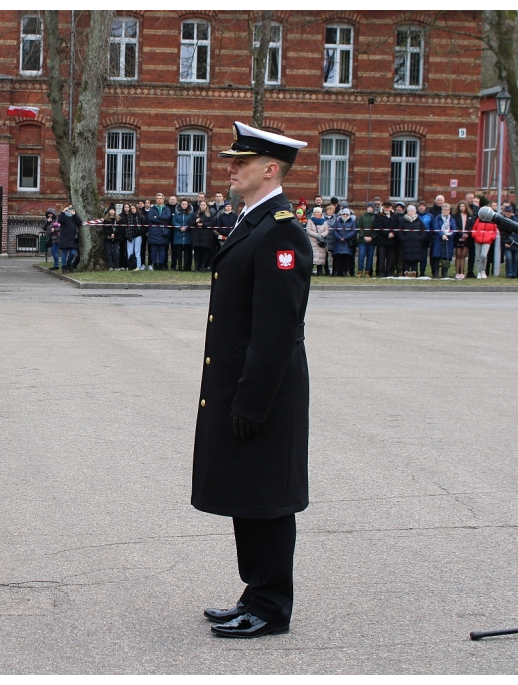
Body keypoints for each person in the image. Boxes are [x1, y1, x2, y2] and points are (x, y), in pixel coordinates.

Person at [196, 121, 312, 640]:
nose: (230, 168)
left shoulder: (281, 229)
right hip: (243, 385)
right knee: (248, 492)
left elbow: (276, 330)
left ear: (270, 169)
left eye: (240, 162)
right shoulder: (252, 221)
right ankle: (254, 592)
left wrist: (252, 400)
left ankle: (271, 605)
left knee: (267, 498)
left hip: (265, 390)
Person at [398, 205, 427, 277]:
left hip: (416, 243)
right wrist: (402, 238)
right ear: (407, 212)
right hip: (406, 242)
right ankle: (406, 271)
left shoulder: (418, 220)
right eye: (409, 211)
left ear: (415, 212)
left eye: (412, 211)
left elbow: (424, 230)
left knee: (415, 258)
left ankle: (414, 272)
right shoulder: (403, 220)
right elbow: (399, 231)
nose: (411, 212)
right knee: (406, 258)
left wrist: (420, 238)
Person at [429, 203, 455, 278]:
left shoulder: (452, 219)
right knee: (437, 257)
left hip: (449, 240)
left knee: (446, 257)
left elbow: (454, 229)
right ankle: (436, 274)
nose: (445, 211)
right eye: (444, 209)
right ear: (441, 210)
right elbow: (435, 227)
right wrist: (442, 234)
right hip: (438, 239)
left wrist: (449, 235)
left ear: (449, 210)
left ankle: (444, 274)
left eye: (447, 209)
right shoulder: (437, 218)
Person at [471, 206, 498, 279]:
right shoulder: (479, 219)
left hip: (487, 240)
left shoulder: (493, 220)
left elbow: (495, 231)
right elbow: (474, 228)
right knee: (478, 257)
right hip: (477, 239)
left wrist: (492, 237)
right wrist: (474, 235)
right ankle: (478, 272)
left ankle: (483, 270)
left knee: (483, 256)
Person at [146, 193, 172, 270]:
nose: (159, 199)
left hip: (163, 232)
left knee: (162, 250)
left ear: (163, 200)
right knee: (153, 250)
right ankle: (155, 265)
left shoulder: (167, 209)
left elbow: (167, 217)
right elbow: (150, 218)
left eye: (160, 198)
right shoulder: (152, 208)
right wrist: (161, 221)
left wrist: (157, 216)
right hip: (153, 232)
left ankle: (160, 264)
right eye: (157, 198)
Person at [329, 207, 356, 276]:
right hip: (338, 242)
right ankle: (336, 272)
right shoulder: (337, 222)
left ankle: (344, 272)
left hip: (347, 243)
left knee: (345, 258)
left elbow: (353, 231)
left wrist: (345, 238)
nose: (345, 215)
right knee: (337, 258)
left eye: (347, 214)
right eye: (344, 214)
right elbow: (334, 231)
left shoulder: (352, 222)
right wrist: (339, 238)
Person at [192, 200, 216, 273]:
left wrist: (203, 224)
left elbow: (212, 223)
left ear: (206, 206)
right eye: (201, 205)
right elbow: (190, 223)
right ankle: (196, 267)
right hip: (197, 236)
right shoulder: (195, 214)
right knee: (197, 253)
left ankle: (202, 266)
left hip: (206, 237)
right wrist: (195, 222)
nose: (202, 206)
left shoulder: (210, 214)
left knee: (205, 253)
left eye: (204, 205)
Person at [171, 198, 195, 271]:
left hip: (187, 235)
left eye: (185, 204)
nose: (184, 205)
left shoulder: (191, 213)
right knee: (178, 252)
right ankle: (180, 266)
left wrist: (186, 228)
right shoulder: (176, 213)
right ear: (180, 204)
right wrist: (180, 227)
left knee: (187, 252)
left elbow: (192, 222)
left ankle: (186, 266)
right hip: (178, 235)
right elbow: (174, 221)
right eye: (183, 204)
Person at [57, 204, 81, 273]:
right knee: (64, 252)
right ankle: (64, 267)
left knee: (72, 253)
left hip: (72, 238)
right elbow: (60, 220)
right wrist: (63, 211)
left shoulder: (73, 217)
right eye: (69, 208)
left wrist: (74, 214)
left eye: (71, 208)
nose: (70, 210)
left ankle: (68, 264)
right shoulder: (64, 216)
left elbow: (79, 222)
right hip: (64, 237)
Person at [305, 206, 329, 275]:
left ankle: (319, 271)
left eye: (318, 212)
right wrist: (316, 235)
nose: (317, 214)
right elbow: (308, 230)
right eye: (315, 212)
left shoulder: (324, 221)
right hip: (313, 241)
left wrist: (321, 235)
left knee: (321, 257)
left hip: (321, 241)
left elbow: (326, 230)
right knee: (313, 257)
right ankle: (311, 271)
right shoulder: (310, 221)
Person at [452, 201, 473, 280]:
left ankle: (462, 272)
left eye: (463, 206)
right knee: (458, 255)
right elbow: (455, 226)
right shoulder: (455, 216)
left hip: (467, 237)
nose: (462, 208)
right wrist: (461, 234)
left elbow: (471, 226)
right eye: (461, 206)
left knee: (463, 255)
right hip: (458, 237)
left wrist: (467, 234)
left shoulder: (469, 216)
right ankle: (457, 272)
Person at [355, 202, 377, 277]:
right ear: (366, 208)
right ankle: (360, 271)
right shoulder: (362, 216)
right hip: (362, 240)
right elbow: (359, 227)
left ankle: (368, 271)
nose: (370, 209)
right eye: (369, 207)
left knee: (370, 256)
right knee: (361, 256)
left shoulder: (376, 217)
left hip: (372, 241)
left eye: (372, 207)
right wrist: (363, 236)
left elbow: (376, 229)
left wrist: (372, 237)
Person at [122, 203, 146, 271]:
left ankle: (138, 266)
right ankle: (130, 265)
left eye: (134, 208)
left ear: (136, 208)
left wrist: (137, 233)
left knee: (137, 251)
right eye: (131, 208)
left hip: (137, 235)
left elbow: (142, 228)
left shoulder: (141, 217)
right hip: (129, 236)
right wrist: (127, 236)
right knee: (129, 251)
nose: (132, 210)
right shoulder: (128, 217)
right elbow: (126, 227)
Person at [502, 204, 518, 278]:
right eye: (507, 211)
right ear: (504, 212)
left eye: (509, 211)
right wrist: (505, 243)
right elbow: (501, 234)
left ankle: (514, 273)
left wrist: (517, 242)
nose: (508, 213)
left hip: (516, 243)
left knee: (515, 260)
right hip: (507, 244)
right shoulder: (502, 220)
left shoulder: (516, 220)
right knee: (509, 258)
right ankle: (509, 273)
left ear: (512, 212)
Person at [102, 205, 122, 270]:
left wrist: (114, 233)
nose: (111, 211)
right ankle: (110, 266)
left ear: (114, 211)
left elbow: (119, 228)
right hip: (108, 238)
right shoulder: (106, 219)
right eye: (110, 210)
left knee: (116, 252)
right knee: (109, 252)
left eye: (113, 210)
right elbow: (105, 228)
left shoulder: (118, 219)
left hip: (116, 238)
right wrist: (110, 234)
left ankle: (117, 266)